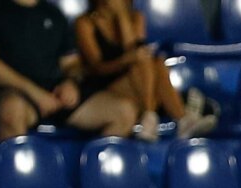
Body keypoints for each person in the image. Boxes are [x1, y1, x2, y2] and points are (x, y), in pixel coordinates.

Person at [0, 0, 136, 141]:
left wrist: (71, 83)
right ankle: (16, 178)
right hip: (13, 92)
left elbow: (72, 65)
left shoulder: (54, 14)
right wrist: (35, 93)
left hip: (54, 94)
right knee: (12, 109)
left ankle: (95, 174)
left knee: (124, 111)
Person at [75, 0, 215, 141]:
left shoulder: (136, 17)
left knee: (155, 61)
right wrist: (125, 60)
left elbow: (135, 49)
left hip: (137, 84)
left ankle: (152, 117)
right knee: (146, 63)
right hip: (105, 85)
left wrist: (122, 17)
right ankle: (179, 118)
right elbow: (97, 68)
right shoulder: (85, 23)